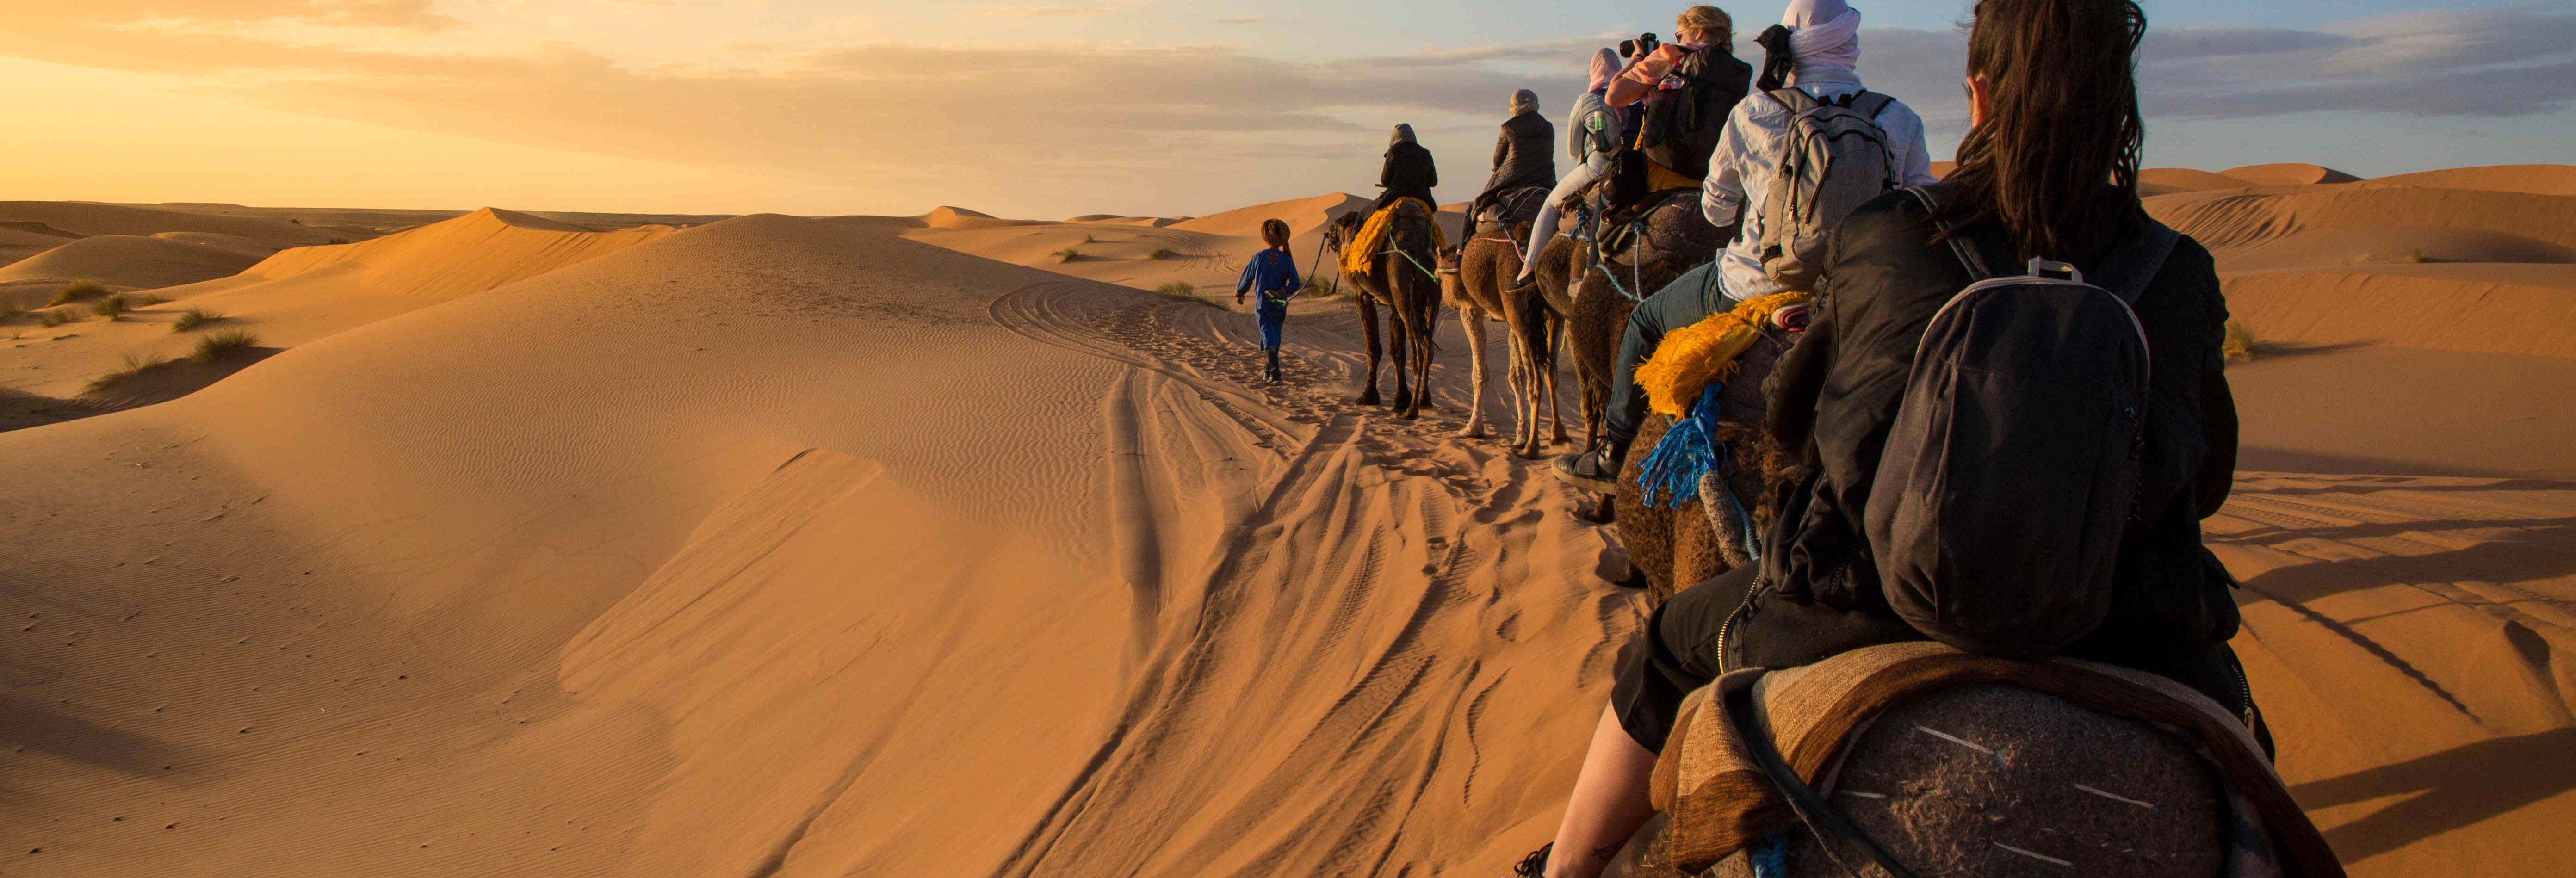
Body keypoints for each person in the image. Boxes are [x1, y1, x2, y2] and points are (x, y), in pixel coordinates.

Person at [1514, 2, 2249, 876]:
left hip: (1868, 599)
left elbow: (1803, 425)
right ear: (2121, 102)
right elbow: (2206, 479)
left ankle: (1565, 866)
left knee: (1670, 645)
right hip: (2127, 620)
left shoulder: (1888, 235)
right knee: (2246, 752)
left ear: (1979, 95)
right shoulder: (2178, 268)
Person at [1552, 0, 1933, 493]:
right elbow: (1918, 210)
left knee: (1645, 319)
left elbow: (1716, 210)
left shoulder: (1757, 112)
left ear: (1791, 46)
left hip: (1753, 284)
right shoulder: (1900, 119)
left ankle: (1614, 452)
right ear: (1852, 45)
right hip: (1858, 289)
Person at [1517, 49, 1628, 282]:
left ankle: (1529, 268)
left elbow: (1573, 148)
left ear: (1593, 72)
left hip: (1597, 166)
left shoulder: (1586, 101)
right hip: (1628, 166)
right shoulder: (1629, 96)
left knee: (1550, 204)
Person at [1467, 90, 1558, 225]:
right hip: (1546, 182)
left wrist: (1499, 172)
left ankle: (1499, 218)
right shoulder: (1548, 128)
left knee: (1476, 208)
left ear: (1514, 106)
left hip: (1513, 181)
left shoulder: (1508, 128)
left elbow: (1497, 160)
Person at [1236, 218, 1303, 386]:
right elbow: (1295, 283)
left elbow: (1247, 277)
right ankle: (1268, 371)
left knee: (1269, 337)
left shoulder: (1259, 257)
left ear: (1266, 236)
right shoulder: (1287, 259)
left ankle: (1276, 374)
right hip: (1280, 305)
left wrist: (1239, 292)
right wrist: (1282, 292)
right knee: (1274, 337)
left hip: (1264, 305)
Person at [1374, 124, 1438, 212]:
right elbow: (1433, 182)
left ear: (1394, 138)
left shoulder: (1393, 152)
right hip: (1424, 198)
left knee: (1365, 214)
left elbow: (1385, 181)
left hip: (1395, 196)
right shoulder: (1426, 153)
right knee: (1431, 216)